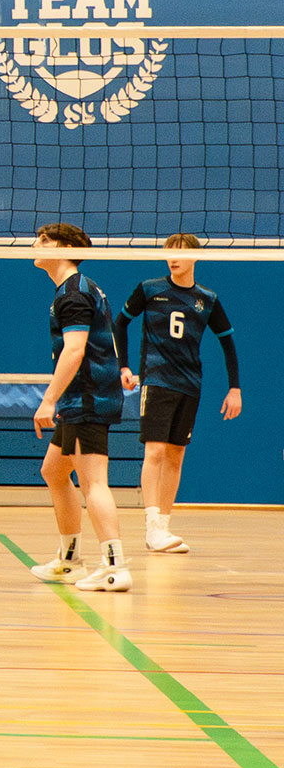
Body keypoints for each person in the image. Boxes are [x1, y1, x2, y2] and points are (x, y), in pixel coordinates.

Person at [114, 233, 241, 555]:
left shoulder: (207, 299)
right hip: (157, 382)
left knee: (175, 454)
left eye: (181, 253)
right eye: (169, 252)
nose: (173, 258)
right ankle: (151, 525)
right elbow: (119, 324)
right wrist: (124, 367)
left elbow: (227, 342)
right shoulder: (150, 289)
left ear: (196, 257)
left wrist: (234, 388)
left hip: (190, 384)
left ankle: (164, 528)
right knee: (154, 451)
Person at [28, 224, 131, 593]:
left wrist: (48, 399)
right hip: (79, 398)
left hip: (88, 397)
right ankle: (70, 560)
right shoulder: (72, 290)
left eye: (43, 240)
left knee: (93, 482)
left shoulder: (73, 293)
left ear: (66, 247)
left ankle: (114, 567)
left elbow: (75, 350)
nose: (34, 245)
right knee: (54, 471)